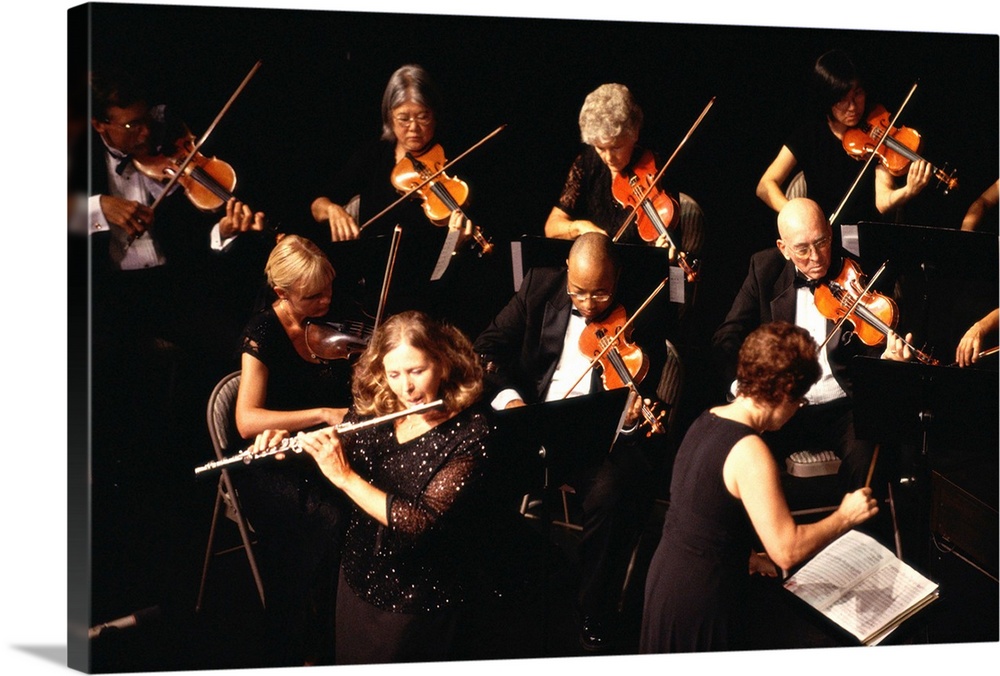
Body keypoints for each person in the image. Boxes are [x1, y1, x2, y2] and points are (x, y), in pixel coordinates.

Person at [253, 311, 514, 664]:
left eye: (417, 371)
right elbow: (334, 461)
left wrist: (345, 476)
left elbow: (419, 521)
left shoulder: (473, 432)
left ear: (444, 363)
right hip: (359, 577)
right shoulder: (379, 407)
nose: (405, 388)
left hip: (419, 598)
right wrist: (287, 449)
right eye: (394, 374)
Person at [473, 231, 672, 652]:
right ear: (566, 271)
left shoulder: (640, 310)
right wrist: (511, 400)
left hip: (593, 438)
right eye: (578, 292)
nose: (586, 305)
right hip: (532, 423)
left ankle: (592, 606)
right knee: (473, 472)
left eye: (599, 295)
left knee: (612, 493)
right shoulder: (538, 285)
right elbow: (484, 348)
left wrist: (631, 422)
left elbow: (646, 387)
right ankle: (503, 579)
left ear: (615, 279)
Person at [640, 321, 880, 653]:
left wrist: (749, 557)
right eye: (800, 401)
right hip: (703, 600)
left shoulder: (707, 418)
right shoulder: (751, 452)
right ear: (783, 393)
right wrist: (845, 516)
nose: (798, 410)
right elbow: (787, 550)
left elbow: (706, 514)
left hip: (667, 583)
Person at [712, 198, 912, 493]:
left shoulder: (858, 272)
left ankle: (853, 533)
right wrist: (743, 387)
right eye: (802, 250)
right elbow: (726, 337)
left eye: (821, 242)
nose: (816, 257)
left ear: (830, 233)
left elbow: (872, 348)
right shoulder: (764, 268)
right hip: (782, 402)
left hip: (844, 407)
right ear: (784, 249)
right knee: (734, 452)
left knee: (868, 461)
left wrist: (887, 357)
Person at [230, 234, 360, 667]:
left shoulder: (336, 319)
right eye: (313, 296)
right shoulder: (263, 331)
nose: (327, 300)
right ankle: (304, 644)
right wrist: (322, 412)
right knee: (329, 519)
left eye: (328, 289)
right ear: (282, 294)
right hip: (273, 459)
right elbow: (247, 420)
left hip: (327, 449)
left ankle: (346, 632)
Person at [756, 49, 932, 226]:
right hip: (821, 235)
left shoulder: (877, 129)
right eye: (842, 99)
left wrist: (908, 190)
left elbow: (883, 201)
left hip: (862, 236)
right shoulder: (810, 134)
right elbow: (765, 185)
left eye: (857, 94)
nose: (853, 107)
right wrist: (800, 215)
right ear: (826, 99)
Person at [544, 83, 698, 256]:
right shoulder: (587, 163)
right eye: (600, 148)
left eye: (616, 147)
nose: (608, 157)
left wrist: (661, 254)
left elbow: (671, 244)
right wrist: (581, 227)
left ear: (634, 134)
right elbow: (552, 227)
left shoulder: (656, 169)